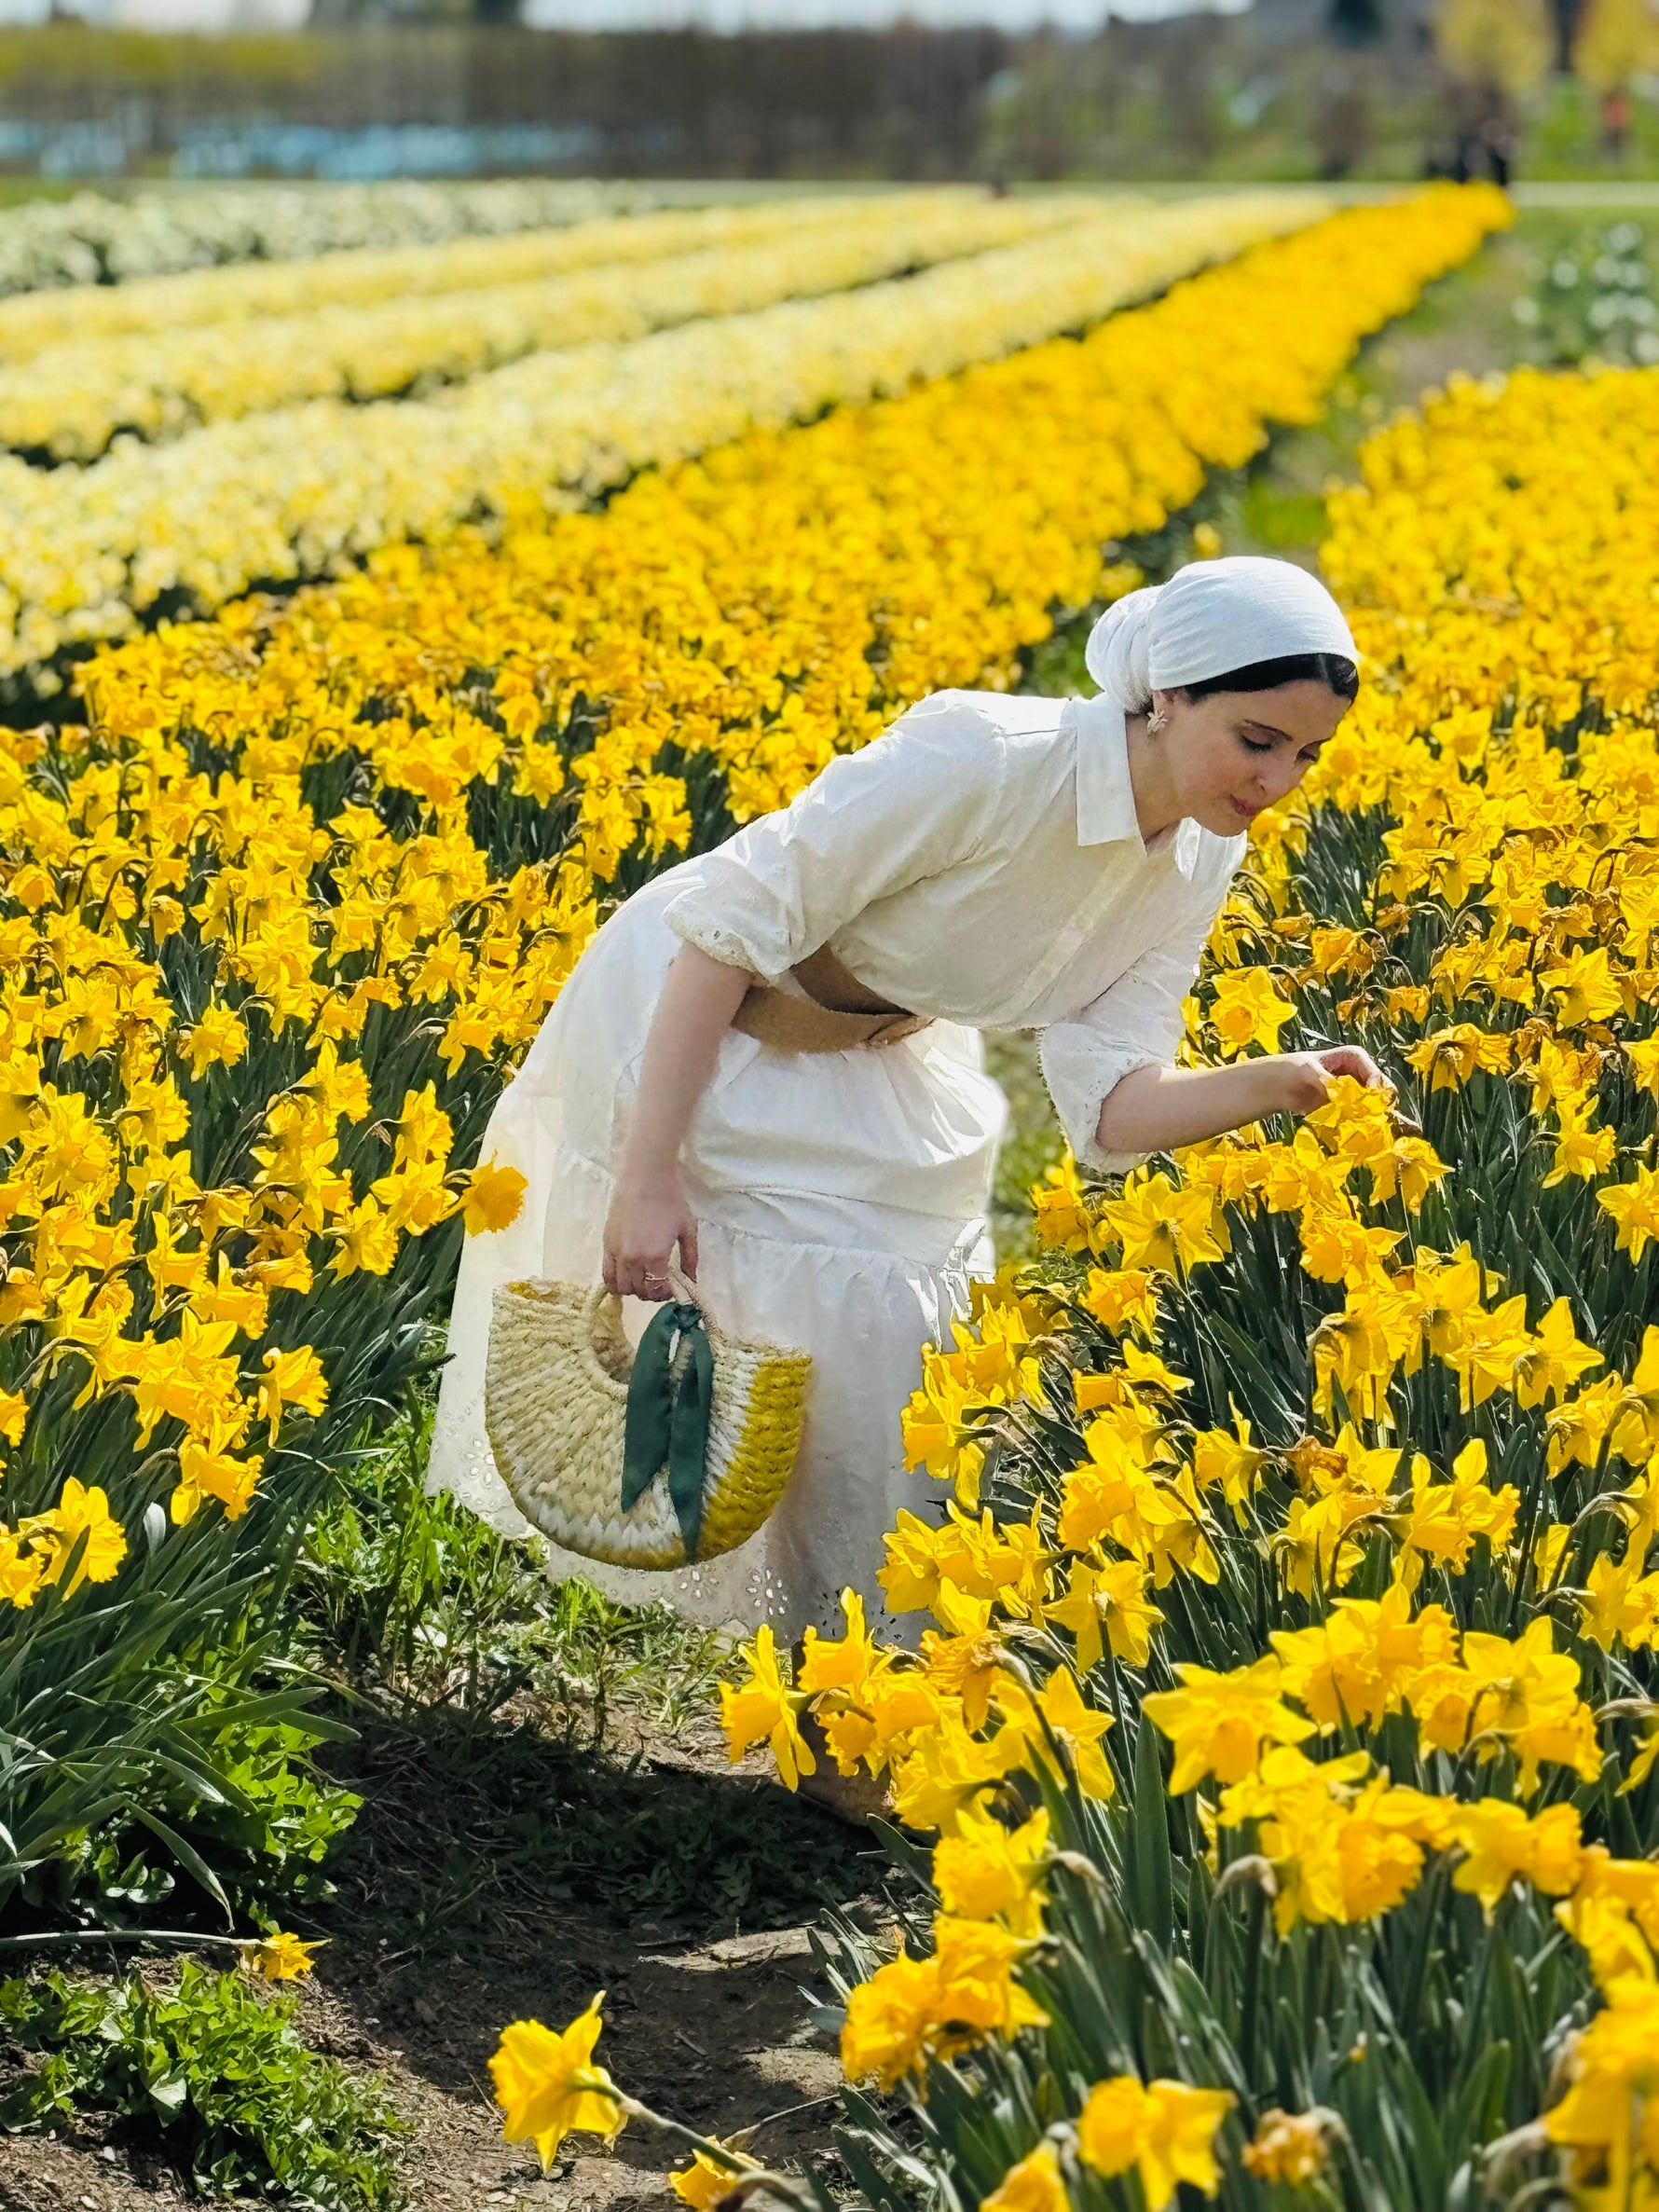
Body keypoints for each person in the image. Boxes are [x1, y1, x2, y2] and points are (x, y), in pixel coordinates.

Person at [427, 555, 1384, 1675]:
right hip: (697, 1021)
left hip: (883, 1050)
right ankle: (835, 1695)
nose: (1278, 781)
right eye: (1258, 739)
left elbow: (1114, 1112)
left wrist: (1285, 1081)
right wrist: (648, 1177)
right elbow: (721, 934)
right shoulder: (982, 757)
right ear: (1166, 696)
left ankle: (857, 1694)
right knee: (831, 1338)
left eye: (1306, 755)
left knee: (904, 1366)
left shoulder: (1199, 858)